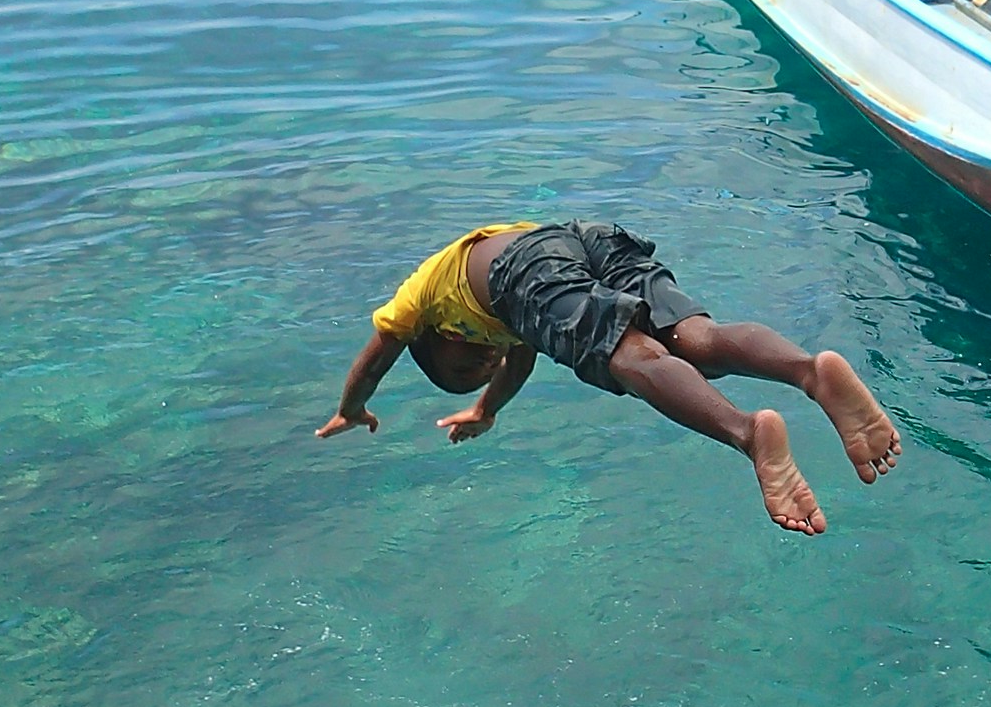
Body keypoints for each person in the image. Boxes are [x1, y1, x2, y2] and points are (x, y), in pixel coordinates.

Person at [317, 220, 900, 534]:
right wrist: (488, 408)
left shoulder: (419, 303)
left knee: (631, 356)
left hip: (527, 269)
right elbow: (521, 354)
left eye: (470, 363)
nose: (486, 361)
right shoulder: (507, 326)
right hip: (585, 238)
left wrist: (352, 406)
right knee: (692, 339)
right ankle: (809, 371)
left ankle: (750, 435)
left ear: (436, 340)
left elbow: (379, 348)